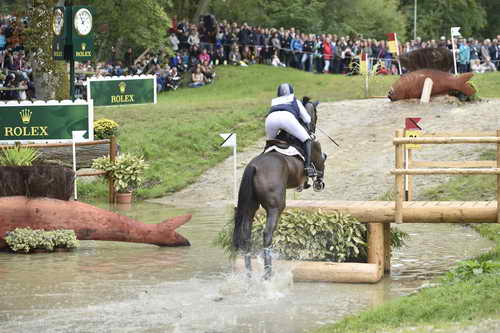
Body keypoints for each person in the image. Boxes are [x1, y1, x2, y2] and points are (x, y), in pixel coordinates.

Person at [265, 83, 316, 177]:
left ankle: (263, 158)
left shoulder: (275, 101)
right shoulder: (295, 100)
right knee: (307, 139)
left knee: (269, 143)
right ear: (292, 91)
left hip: (270, 119)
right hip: (287, 118)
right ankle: (308, 167)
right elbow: (307, 119)